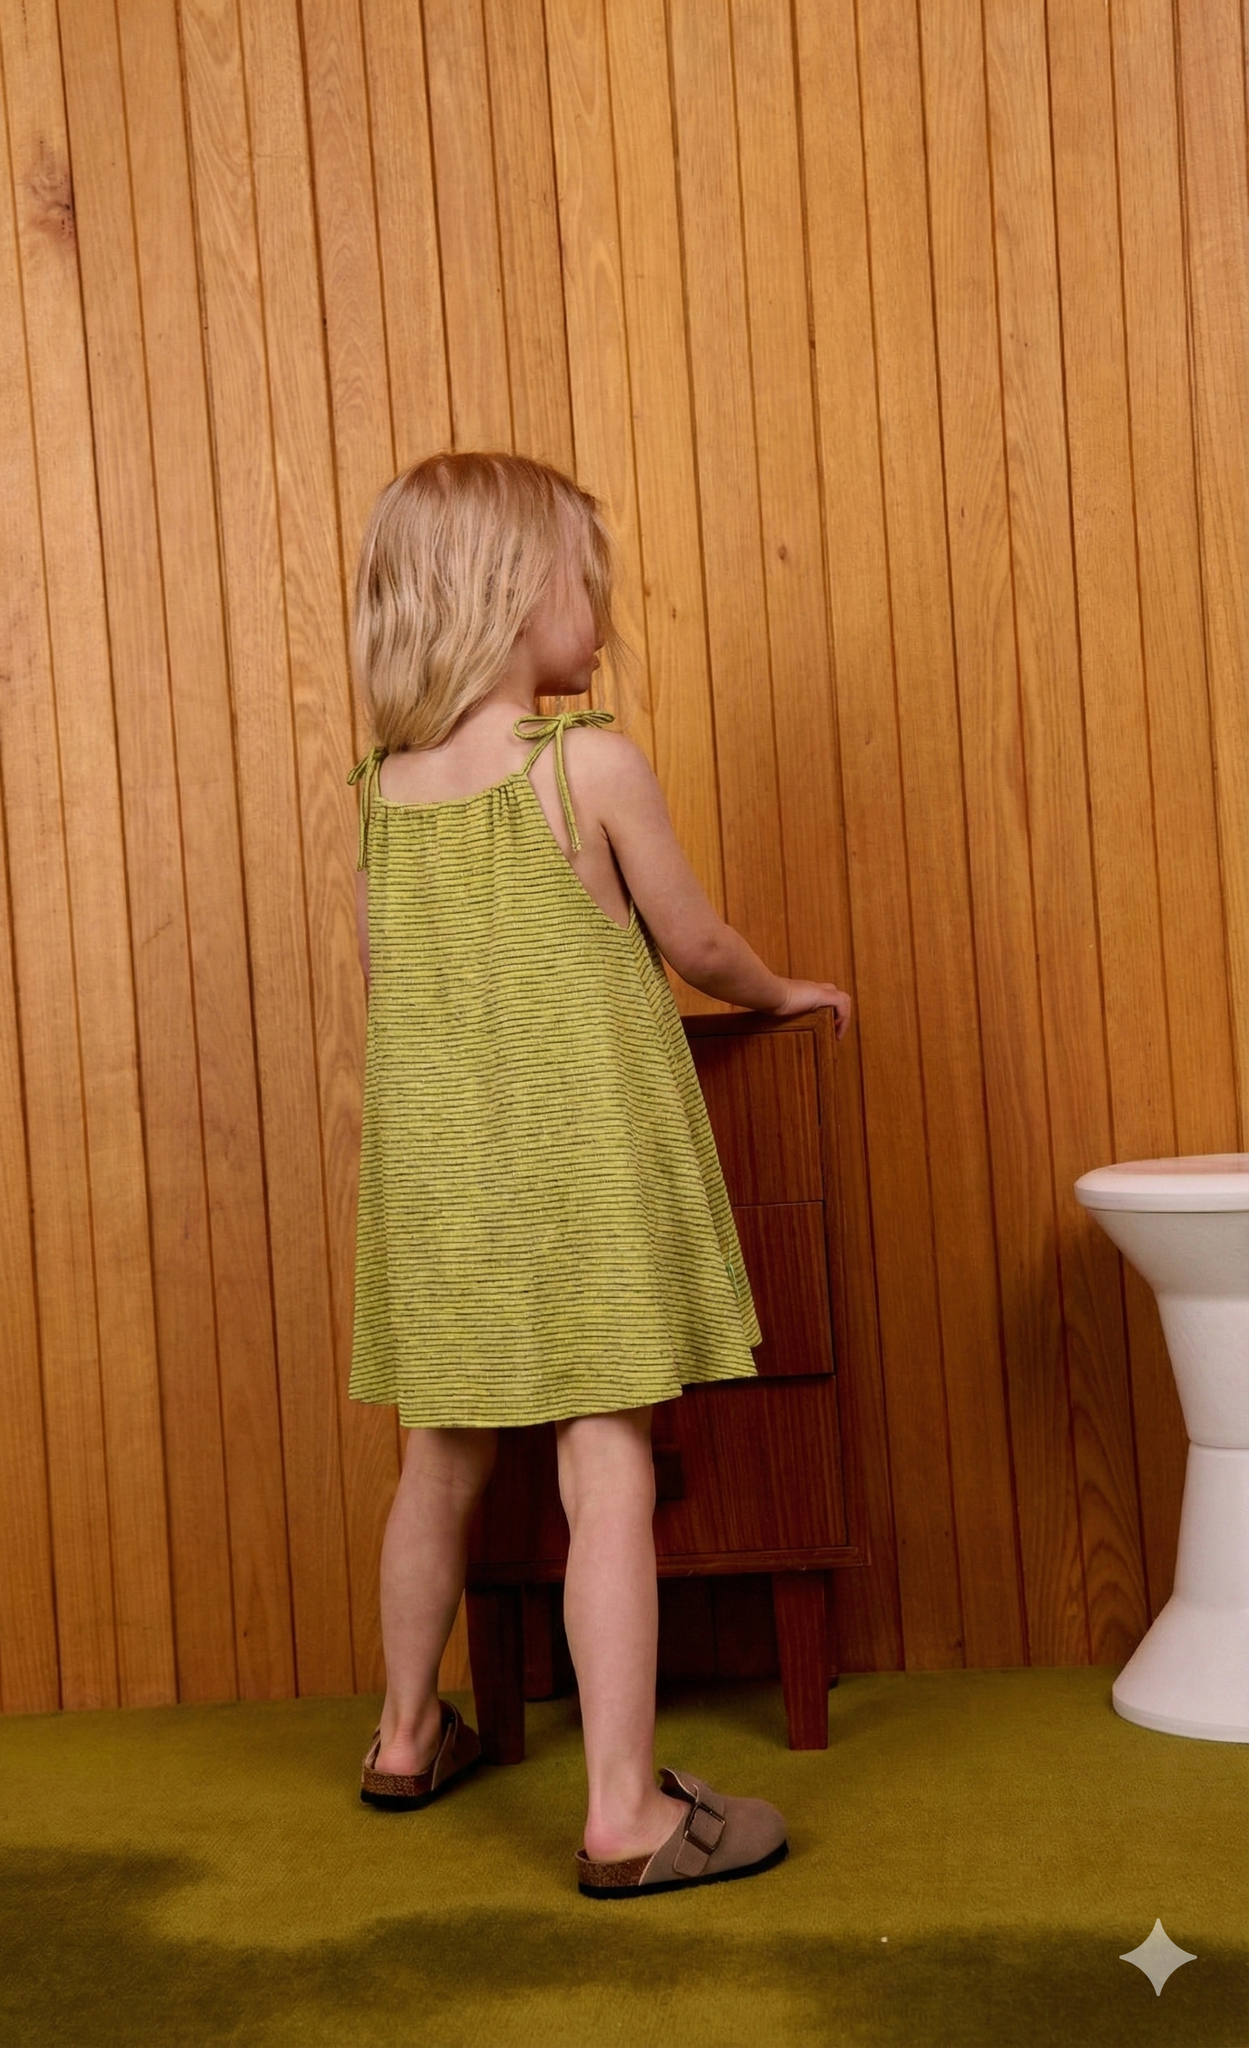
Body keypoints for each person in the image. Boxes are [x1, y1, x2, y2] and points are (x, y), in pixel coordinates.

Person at [345, 452, 852, 1898]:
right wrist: (780, 992)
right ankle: (624, 1813)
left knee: (438, 1458)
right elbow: (695, 945)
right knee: (605, 1462)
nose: (607, 614)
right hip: (581, 1186)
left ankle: (403, 1734)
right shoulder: (585, 766)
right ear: (515, 594)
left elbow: (393, 992)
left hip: (442, 1187)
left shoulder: (380, 796)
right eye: (590, 581)